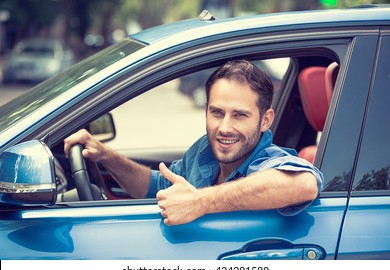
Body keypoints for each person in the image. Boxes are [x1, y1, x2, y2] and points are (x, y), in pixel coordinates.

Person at [64, 59, 323, 226]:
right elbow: (156, 187)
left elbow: (303, 183)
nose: (224, 128)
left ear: (265, 120)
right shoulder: (204, 150)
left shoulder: (268, 160)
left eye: (240, 115)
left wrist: (201, 202)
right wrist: (106, 156)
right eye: (216, 112)